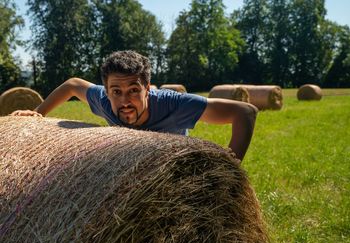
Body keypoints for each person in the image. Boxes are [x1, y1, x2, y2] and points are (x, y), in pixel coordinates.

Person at [11, 50, 258, 161]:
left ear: (148, 89)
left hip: (170, 165)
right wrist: (37, 113)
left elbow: (245, 112)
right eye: (116, 91)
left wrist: (231, 168)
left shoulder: (175, 105)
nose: (125, 100)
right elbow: (73, 85)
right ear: (107, 91)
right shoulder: (104, 101)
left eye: (134, 90)